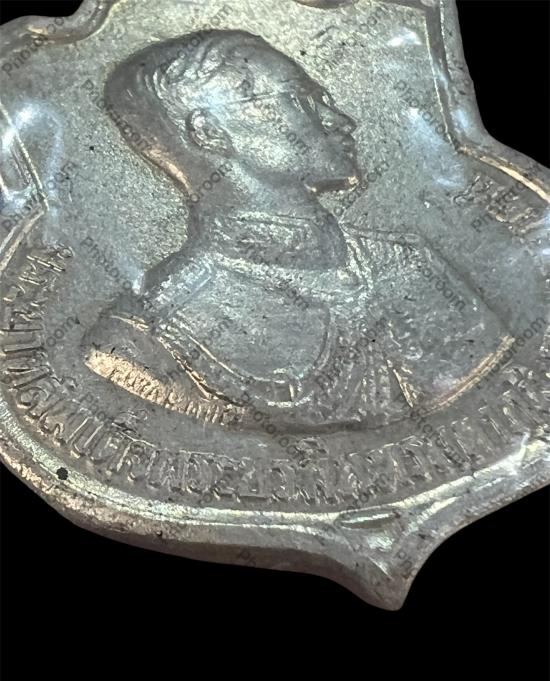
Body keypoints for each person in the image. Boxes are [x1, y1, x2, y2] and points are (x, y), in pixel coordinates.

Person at [85, 30, 510, 431]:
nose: (341, 120)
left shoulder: (408, 262)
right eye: (303, 100)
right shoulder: (148, 333)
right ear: (210, 131)